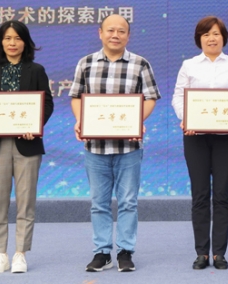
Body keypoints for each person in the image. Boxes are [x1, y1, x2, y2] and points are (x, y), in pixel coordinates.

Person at [69, 14, 161, 272]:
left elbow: (151, 98)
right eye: (110, 30)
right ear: (100, 33)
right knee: (98, 203)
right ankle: (102, 252)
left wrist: (136, 120)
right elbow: (76, 96)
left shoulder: (140, 64)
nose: (115, 35)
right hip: (95, 147)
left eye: (121, 31)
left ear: (128, 36)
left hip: (128, 147)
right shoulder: (86, 63)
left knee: (128, 202)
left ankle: (125, 251)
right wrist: (80, 120)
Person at [172, 16, 228, 270]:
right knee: (200, 194)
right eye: (206, 34)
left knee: (222, 195)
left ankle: (219, 253)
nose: (211, 38)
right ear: (199, 39)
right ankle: (201, 253)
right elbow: (178, 97)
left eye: (216, 34)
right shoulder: (189, 65)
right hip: (195, 137)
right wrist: (186, 118)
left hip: (226, 138)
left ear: (223, 37)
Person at [0, 21, 54, 274]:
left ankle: (20, 253)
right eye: (7, 38)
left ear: (25, 42)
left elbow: (47, 103)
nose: (12, 43)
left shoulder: (36, 70)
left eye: (17, 38)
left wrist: (36, 125)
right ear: (1, 42)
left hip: (27, 144)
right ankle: (0, 254)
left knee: (25, 201)